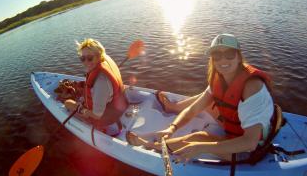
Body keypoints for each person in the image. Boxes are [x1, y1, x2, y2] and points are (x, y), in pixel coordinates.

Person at [126, 34, 274, 163]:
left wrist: (199, 147)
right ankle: (165, 136)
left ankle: (151, 146)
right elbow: (193, 109)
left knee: (200, 137)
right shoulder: (220, 78)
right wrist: (172, 128)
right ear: (212, 59)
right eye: (217, 55)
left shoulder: (252, 87)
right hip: (235, 131)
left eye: (229, 54)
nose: (223, 60)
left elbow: (250, 143)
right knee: (207, 104)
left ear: (239, 56)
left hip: (248, 150)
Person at [64, 38, 128, 136]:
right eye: (82, 58)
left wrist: (82, 109)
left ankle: (96, 126)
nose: (86, 62)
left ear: (99, 56)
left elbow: (97, 115)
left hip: (108, 115)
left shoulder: (101, 82)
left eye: (90, 58)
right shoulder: (104, 61)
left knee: (68, 103)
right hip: (118, 103)